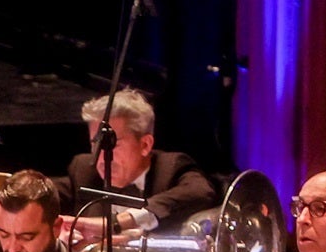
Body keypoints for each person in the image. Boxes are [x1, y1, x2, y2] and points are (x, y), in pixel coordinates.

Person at [58, 88, 218, 243]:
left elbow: (201, 191)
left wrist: (123, 221)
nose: (101, 156)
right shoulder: (83, 169)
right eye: (95, 143)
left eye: (111, 144)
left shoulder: (170, 167)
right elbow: (44, 195)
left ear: (145, 145)